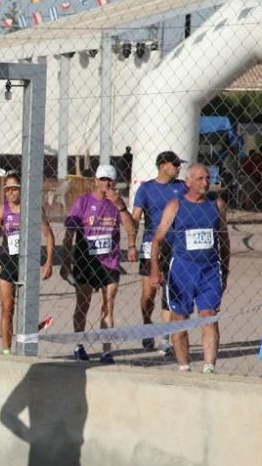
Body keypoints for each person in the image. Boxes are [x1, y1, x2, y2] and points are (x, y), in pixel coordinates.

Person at [149, 163, 230, 374]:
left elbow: (225, 240)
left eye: (207, 178)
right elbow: (157, 240)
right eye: (200, 179)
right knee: (180, 320)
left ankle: (209, 367)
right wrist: (155, 270)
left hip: (210, 270)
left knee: (209, 316)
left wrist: (226, 270)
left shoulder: (217, 205)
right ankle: (184, 368)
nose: (205, 183)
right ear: (188, 182)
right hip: (182, 271)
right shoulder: (176, 205)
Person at [60, 164, 135, 363]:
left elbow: (132, 227)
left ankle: (106, 350)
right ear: (95, 181)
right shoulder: (83, 201)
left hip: (109, 263)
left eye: (110, 180)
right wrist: (66, 262)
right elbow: (69, 234)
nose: (107, 183)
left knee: (108, 306)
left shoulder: (116, 203)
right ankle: (79, 345)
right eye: (103, 179)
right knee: (83, 305)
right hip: (86, 260)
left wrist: (121, 206)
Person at [0, 173, 54, 355]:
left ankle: (26, 348)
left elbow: (49, 235)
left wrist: (48, 262)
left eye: (14, 188)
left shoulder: (32, 209)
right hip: (8, 262)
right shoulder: (1, 211)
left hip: (28, 263)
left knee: (27, 311)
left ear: (21, 189)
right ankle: (6, 351)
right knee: (7, 309)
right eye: (7, 189)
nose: (11, 193)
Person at [127, 150, 187, 354]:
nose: (179, 167)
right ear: (163, 165)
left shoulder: (182, 187)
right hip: (150, 245)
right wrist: (131, 244)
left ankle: (165, 338)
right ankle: (147, 326)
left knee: (170, 294)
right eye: (176, 164)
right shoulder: (146, 188)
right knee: (148, 294)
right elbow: (134, 219)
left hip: (176, 246)